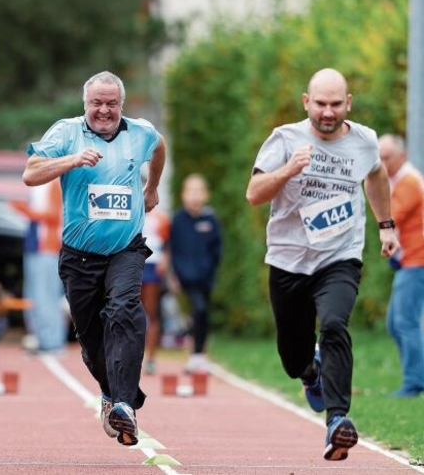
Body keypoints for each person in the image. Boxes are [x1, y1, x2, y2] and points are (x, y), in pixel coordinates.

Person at [246, 68, 398, 461]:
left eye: (335, 104)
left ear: (348, 103)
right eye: (320, 104)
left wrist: (386, 225)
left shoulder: (364, 140)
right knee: (292, 357)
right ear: (305, 102)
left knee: (333, 324)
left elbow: (377, 176)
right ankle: (310, 372)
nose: (327, 113)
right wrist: (288, 170)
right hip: (288, 260)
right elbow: (254, 194)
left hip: (339, 257)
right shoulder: (284, 139)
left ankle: (337, 419)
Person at [22, 70, 166, 446]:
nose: (104, 110)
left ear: (122, 104)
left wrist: (152, 189)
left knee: (124, 311)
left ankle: (123, 405)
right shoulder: (65, 133)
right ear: (85, 104)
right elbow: (30, 174)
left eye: (111, 104)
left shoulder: (141, 132)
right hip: (79, 257)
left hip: (125, 248)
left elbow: (160, 146)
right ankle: (112, 394)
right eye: (97, 103)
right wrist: (70, 161)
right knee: (91, 341)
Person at [378, 134, 424, 398]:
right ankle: (416, 377)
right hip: (409, 260)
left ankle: (414, 383)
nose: (382, 164)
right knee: (396, 323)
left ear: (402, 157)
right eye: (379, 158)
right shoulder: (399, 179)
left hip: (417, 259)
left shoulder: (407, 182)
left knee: (404, 322)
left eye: (387, 158)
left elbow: (389, 215)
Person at [169, 173, 222, 374]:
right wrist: (174, 274)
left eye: (198, 191)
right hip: (185, 277)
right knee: (197, 310)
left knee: (202, 314)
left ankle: (199, 355)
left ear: (206, 195)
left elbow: (217, 249)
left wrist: (211, 269)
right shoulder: (178, 220)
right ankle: (197, 355)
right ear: (183, 195)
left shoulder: (211, 219)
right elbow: (173, 249)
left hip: (205, 277)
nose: (194, 196)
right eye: (190, 191)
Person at [11, 178, 67, 354]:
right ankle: (39, 337)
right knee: (33, 295)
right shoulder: (35, 183)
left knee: (47, 295)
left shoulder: (55, 183)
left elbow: (55, 215)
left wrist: (24, 210)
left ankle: (52, 341)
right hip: (33, 244)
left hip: (48, 246)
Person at [140, 206, 170, 375]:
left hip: (153, 265)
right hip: (133, 263)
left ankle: (150, 358)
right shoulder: (130, 211)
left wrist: (165, 260)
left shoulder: (160, 217)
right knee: (132, 311)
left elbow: (167, 243)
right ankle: (131, 357)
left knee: (151, 311)